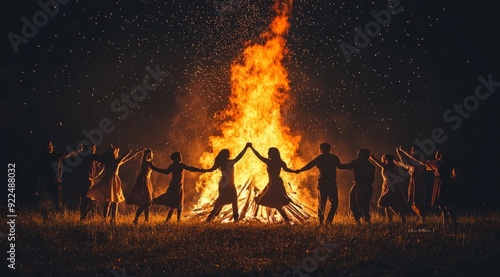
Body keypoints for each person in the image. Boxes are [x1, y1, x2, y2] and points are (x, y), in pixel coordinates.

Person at [87, 145, 143, 224]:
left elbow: (126, 159)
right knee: (115, 201)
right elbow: (124, 157)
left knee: (108, 201)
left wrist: (135, 152)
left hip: (107, 180)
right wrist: (129, 152)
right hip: (113, 181)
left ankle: (105, 218)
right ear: (114, 153)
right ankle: (113, 219)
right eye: (117, 152)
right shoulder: (116, 161)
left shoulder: (107, 161)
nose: (118, 153)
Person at [295, 143, 341, 225]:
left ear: (322, 149)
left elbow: (309, 166)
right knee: (334, 203)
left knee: (322, 203)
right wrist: (353, 165)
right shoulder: (334, 158)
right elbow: (340, 166)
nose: (319, 150)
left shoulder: (320, 158)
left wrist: (300, 170)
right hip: (331, 183)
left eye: (320, 148)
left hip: (323, 183)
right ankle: (328, 221)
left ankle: (321, 221)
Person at [151, 151, 204, 222]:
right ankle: (177, 220)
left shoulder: (172, 165)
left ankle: (168, 220)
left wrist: (156, 169)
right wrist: (201, 170)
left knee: (173, 204)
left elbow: (166, 172)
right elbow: (190, 168)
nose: (181, 157)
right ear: (176, 158)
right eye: (179, 156)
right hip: (177, 186)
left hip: (174, 185)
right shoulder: (181, 165)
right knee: (178, 204)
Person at [204, 143, 251, 222]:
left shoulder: (221, 163)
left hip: (223, 184)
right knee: (233, 201)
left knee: (221, 200)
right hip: (229, 185)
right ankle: (235, 220)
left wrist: (202, 170)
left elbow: (211, 170)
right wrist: (246, 147)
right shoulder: (229, 163)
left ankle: (210, 217)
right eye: (228, 153)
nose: (229, 154)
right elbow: (239, 156)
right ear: (227, 155)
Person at [250, 145, 295, 224]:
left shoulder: (270, 161)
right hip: (275, 182)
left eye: (269, 152)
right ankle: (286, 220)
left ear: (273, 154)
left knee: (270, 202)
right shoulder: (280, 162)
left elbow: (258, 156)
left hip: (274, 184)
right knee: (275, 203)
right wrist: (296, 171)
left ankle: (286, 220)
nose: (267, 153)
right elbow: (287, 169)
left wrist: (251, 147)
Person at [36, 140, 82, 215]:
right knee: (57, 201)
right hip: (55, 183)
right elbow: (69, 153)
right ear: (48, 147)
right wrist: (78, 151)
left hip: (46, 183)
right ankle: (56, 215)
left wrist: (39, 184)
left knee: (46, 200)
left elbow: (38, 172)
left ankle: (46, 216)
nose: (53, 146)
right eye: (51, 145)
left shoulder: (41, 157)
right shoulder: (56, 155)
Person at [422, 149, 458, 229]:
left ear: (441, 155)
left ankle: (451, 223)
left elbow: (423, 162)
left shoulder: (437, 163)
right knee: (444, 205)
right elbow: (454, 175)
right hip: (446, 182)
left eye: (437, 153)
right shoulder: (447, 163)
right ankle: (448, 223)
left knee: (444, 205)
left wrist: (405, 153)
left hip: (441, 183)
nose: (435, 155)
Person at [338, 149, 375, 225]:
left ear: (361, 155)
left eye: (358, 154)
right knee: (364, 205)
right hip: (368, 187)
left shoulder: (356, 163)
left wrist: (335, 163)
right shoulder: (371, 166)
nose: (357, 155)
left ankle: (360, 222)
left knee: (355, 204)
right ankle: (365, 222)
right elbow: (372, 180)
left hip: (359, 186)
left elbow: (342, 167)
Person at [370, 153, 407, 224]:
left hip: (391, 186)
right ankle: (391, 220)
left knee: (385, 202)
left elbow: (379, 163)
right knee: (388, 204)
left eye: (386, 159)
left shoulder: (389, 166)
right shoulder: (388, 166)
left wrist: (373, 157)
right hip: (386, 185)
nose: (385, 160)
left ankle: (401, 217)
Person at [396, 146, 427, 223]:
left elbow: (408, 164)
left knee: (416, 199)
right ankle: (420, 218)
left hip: (416, 181)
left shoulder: (420, 161)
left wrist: (402, 153)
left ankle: (422, 218)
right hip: (414, 180)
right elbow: (406, 165)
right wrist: (399, 158)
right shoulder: (415, 162)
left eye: (412, 150)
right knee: (413, 200)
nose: (411, 151)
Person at [74, 144, 105, 221]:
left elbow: (97, 170)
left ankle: (85, 216)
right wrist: (108, 151)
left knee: (85, 198)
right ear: (91, 149)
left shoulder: (83, 157)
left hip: (82, 180)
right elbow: (102, 159)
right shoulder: (90, 156)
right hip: (87, 180)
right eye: (94, 148)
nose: (95, 150)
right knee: (87, 198)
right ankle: (84, 216)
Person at [127, 149, 155, 224]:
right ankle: (137, 219)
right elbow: (156, 169)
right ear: (149, 154)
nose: (152, 155)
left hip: (146, 180)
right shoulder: (147, 162)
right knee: (146, 202)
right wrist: (166, 171)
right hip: (144, 181)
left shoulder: (145, 162)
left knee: (147, 203)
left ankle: (144, 220)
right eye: (151, 153)